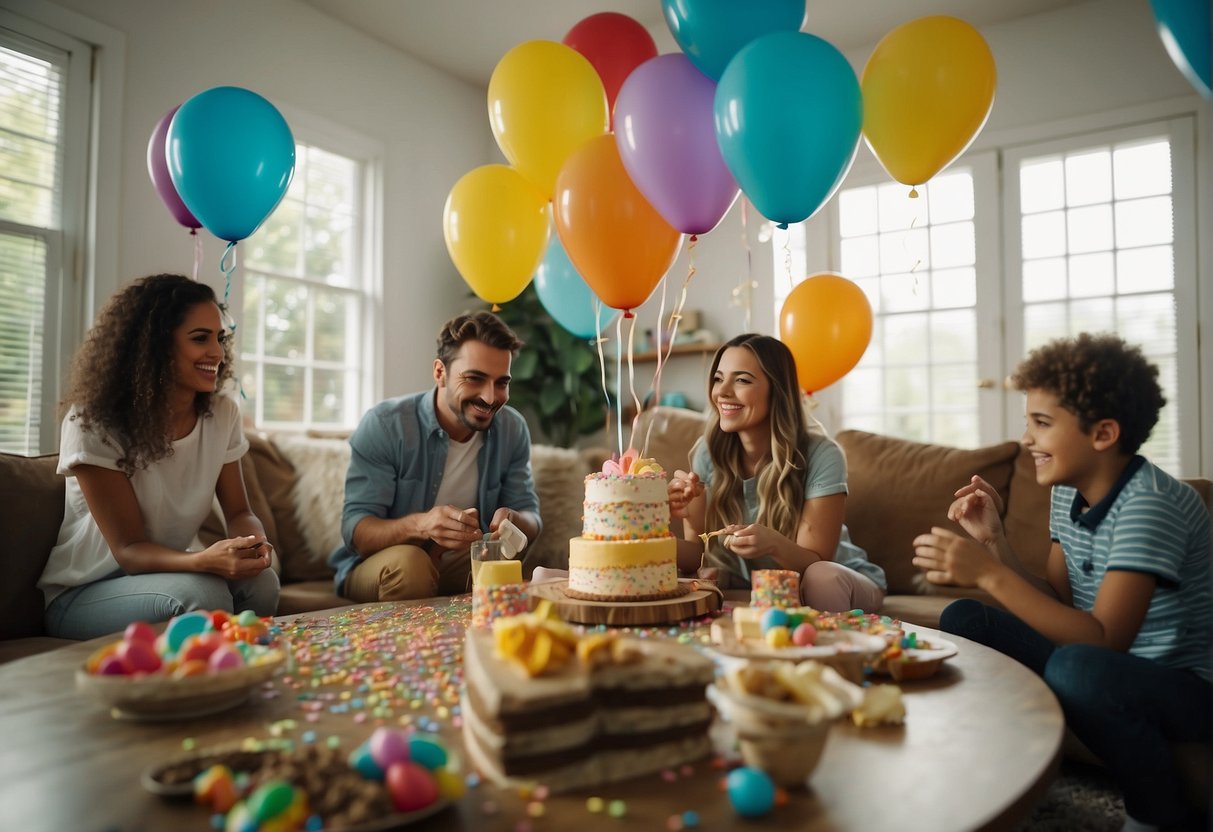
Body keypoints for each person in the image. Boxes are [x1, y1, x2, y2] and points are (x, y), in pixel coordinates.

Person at [911, 333, 1210, 831]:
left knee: (1078, 668)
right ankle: (995, 772)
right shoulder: (1068, 495)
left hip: (1184, 688)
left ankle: (1158, 817)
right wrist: (995, 544)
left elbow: (1103, 640)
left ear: (1103, 434)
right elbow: (1058, 605)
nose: (1027, 439)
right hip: (1100, 663)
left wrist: (985, 574)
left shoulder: (1150, 504)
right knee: (963, 618)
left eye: (1042, 424)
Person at [39, 274, 279, 640]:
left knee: (262, 583)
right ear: (152, 345)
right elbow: (129, 551)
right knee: (203, 594)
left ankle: (240, 678)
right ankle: (208, 687)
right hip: (84, 593)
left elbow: (238, 512)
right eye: (200, 338)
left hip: (165, 576)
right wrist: (202, 560)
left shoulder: (222, 415)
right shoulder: (93, 421)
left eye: (220, 338)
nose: (217, 352)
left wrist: (253, 545)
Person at [328, 311, 541, 601]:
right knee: (411, 565)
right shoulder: (386, 424)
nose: (490, 398)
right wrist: (422, 525)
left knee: (500, 563)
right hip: (380, 566)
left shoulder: (512, 429)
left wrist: (515, 518)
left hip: (459, 562)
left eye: (501, 383)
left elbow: (532, 517)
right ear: (440, 372)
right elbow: (357, 533)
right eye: (474, 379)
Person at [667, 333, 886, 612]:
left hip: (837, 579)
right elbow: (697, 556)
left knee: (822, 577)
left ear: (777, 390)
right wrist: (641, 535)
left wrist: (773, 545)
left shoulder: (821, 454)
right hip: (768, 589)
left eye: (742, 379)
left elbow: (816, 562)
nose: (722, 391)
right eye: (719, 378)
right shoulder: (708, 453)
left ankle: (829, 654)